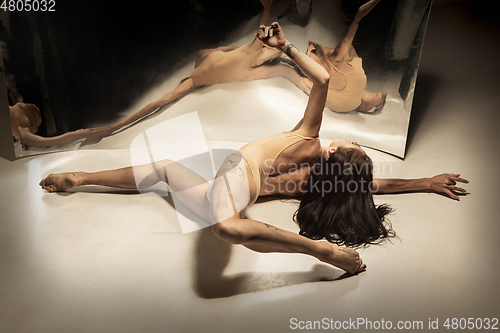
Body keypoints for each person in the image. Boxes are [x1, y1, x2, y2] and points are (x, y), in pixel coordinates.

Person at [39, 22, 468, 275]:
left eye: (352, 142)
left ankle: (321, 251)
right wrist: (427, 182)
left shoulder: (310, 139)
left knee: (220, 223)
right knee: (172, 174)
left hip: (235, 175)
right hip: (236, 183)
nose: (351, 137)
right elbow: (375, 185)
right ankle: (82, 177)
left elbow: (320, 81)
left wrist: (287, 48)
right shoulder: (327, 180)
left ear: (338, 154)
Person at [19, 0, 385, 149]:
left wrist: (329, 91)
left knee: (137, 115)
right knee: (139, 111)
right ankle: (72, 137)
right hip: (206, 69)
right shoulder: (257, 52)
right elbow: (282, 56)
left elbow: (303, 79)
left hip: (200, 77)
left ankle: (68, 139)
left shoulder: (264, 62)